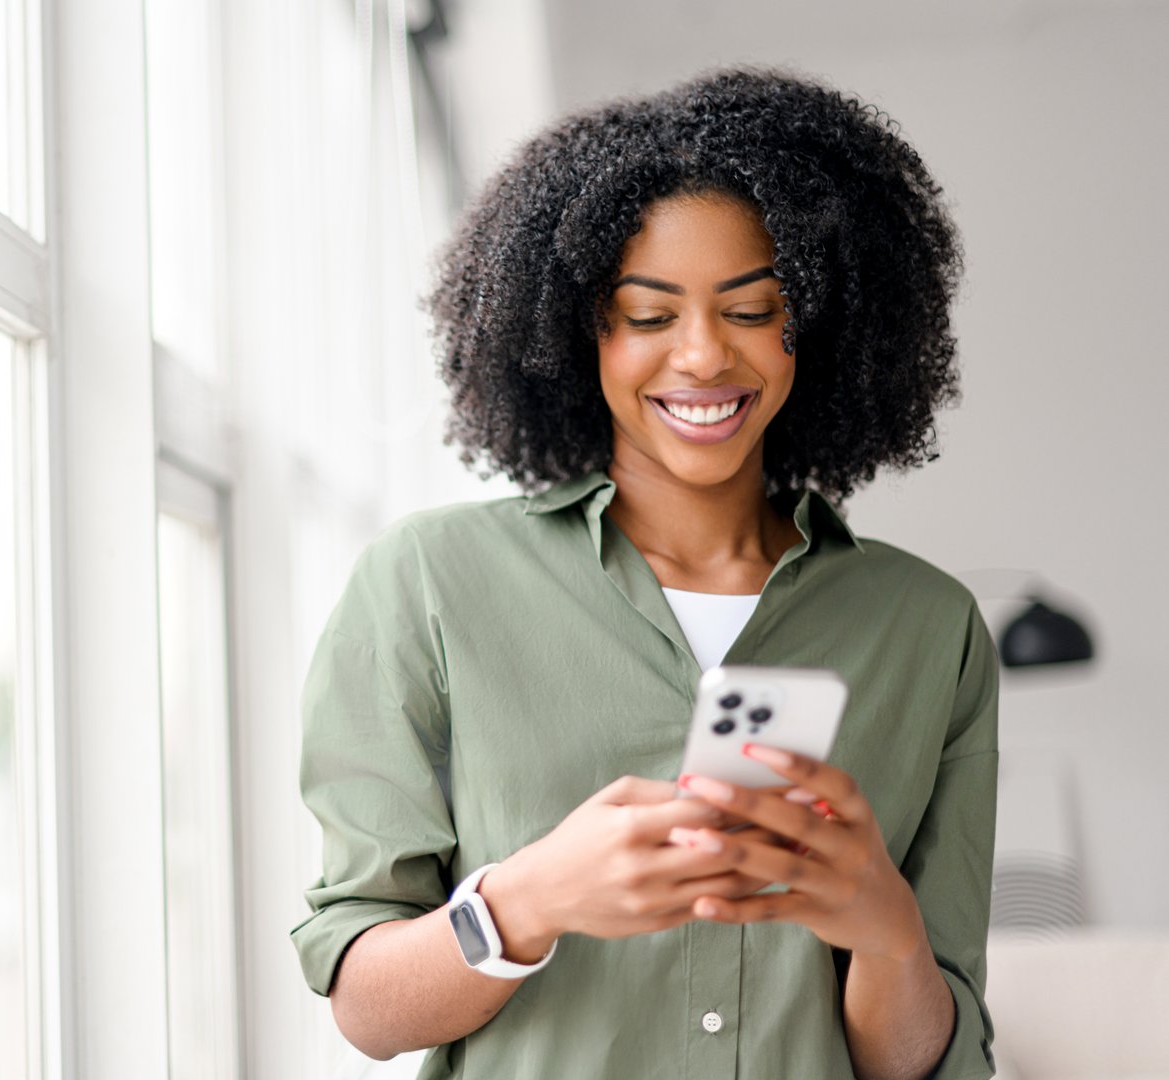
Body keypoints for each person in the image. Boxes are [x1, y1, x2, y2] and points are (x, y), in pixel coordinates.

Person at [292, 66, 998, 1080]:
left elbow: (928, 1059)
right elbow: (367, 1009)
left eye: (753, 310)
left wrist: (886, 930)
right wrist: (527, 901)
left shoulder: (928, 626)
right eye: (648, 314)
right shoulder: (430, 583)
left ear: (820, 329)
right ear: (579, 330)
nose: (704, 356)